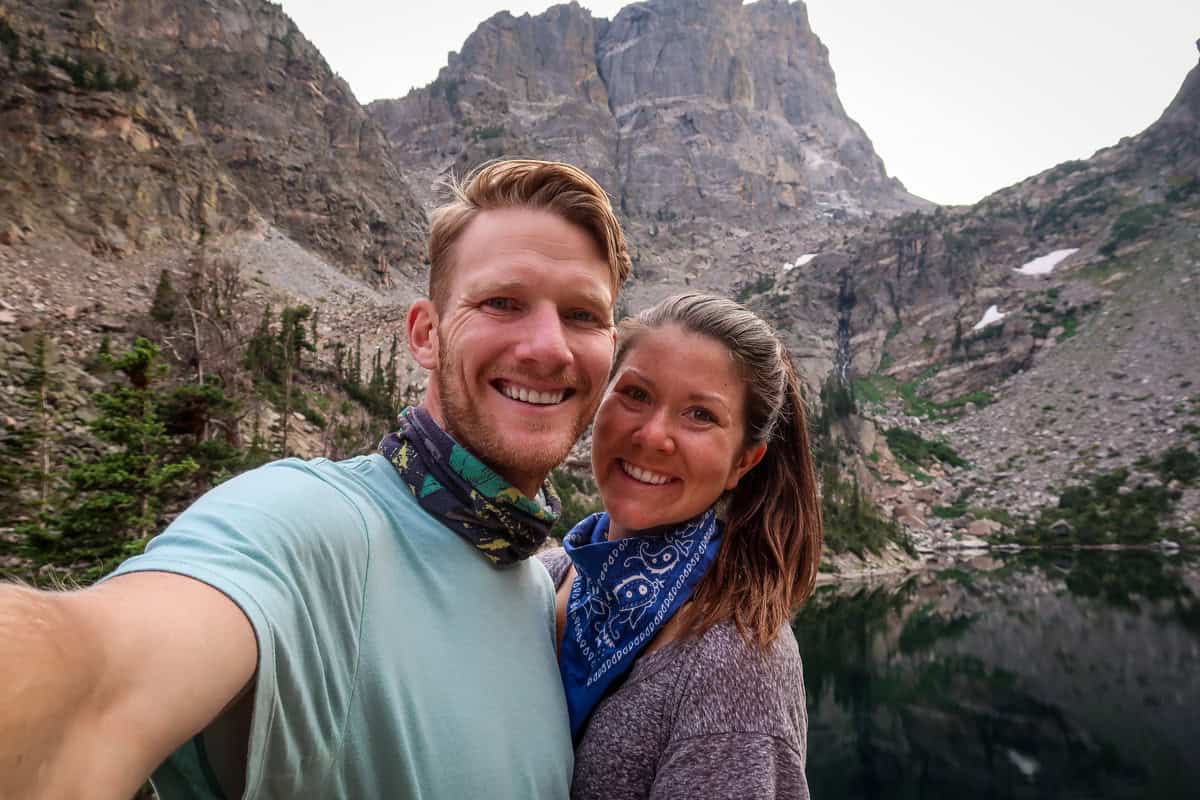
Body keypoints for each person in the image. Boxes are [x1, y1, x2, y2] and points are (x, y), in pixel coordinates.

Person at [0, 159, 631, 800]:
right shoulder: (312, 525)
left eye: (583, 315)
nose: (549, 347)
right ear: (426, 334)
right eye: (502, 302)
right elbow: (92, 678)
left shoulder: (535, 591)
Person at [538, 293, 823, 799]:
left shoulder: (737, 661)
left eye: (699, 415)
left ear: (744, 463)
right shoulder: (545, 574)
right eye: (635, 395)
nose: (652, 436)